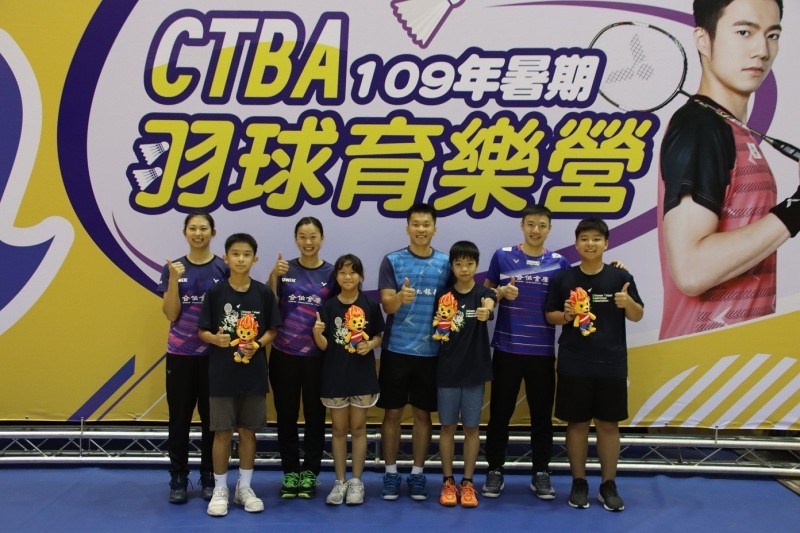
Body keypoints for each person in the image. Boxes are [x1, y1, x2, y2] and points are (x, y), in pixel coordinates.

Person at [658, 0, 799, 339]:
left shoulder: (731, 129)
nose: (762, 51)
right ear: (703, 40)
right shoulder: (701, 127)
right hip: (701, 356)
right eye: (744, 32)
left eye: (772, 35)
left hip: (735, 354)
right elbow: (691, 270)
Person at [545, 218, 644, 512]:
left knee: (608, 425)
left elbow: (637, 315)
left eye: (596, 239)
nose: (590, 244)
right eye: (585, 239)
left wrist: (627, 302)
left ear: (606, 243)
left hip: (611, 362)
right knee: (577, 424)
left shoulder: (620, 276)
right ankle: (579, 483)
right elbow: (549, 315)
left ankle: (608, 485)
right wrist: (566, 315)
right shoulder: (564, 278)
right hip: (574, 362)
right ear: (576, 244)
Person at [481, 204, 571, 500]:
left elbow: (571, 300)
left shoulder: (559, 263)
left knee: (542, 417)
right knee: (499, 414)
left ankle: (541, 473)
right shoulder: (503, 255)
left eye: (542, 225)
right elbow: (484, 294)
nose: (535, 230)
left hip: (542, 353)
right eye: (531, 224)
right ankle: (495, 470)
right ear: (522, 225)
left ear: (549, 229)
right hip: (506, 350)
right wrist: (499, 293)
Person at [198, 233, 281, 517]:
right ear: (226, 258)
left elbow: (272, 330)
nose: (241, 259)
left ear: (255, 259)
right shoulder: (215, 293)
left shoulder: (263, 293)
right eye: (235, 254)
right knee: (222, 433)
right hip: (221, 375)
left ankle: (244, 487)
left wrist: (257, 344)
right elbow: (203, 330)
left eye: (246, 254)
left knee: (248, 432)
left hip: (253, 375)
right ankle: (220, 488)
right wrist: (214, 339)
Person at [377, 203, 451, 501]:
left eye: (426, 224)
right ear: (407, 227)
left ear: (435, 228)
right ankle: (390, 472)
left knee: (423, 414)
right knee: (393, 413)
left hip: (432, 352)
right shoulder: (392, 261)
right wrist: (399, 298)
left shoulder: (446, 263)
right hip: (396, 349)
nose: (421, 229)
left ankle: (418, 474)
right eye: (416, 224)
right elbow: (387, 305)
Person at [158, 211, 228, 504]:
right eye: (193, 228)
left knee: (212, 421)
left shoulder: (223, 268)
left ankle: (209, 476)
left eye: (203, 228)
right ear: (185, 232)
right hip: (180, 355)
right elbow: (171, 314)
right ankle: (178, 477)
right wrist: (174, 281)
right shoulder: (173, 269)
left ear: (213, 232)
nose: (198, 233)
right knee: (179, 420)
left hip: (214, 356)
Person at [267, 217, 334, 499]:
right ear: (296, 239)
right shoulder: (285, 270)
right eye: (303, 237)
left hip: (318, 356)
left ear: (322, 239)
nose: (308, 242)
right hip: (284, 354)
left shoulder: (332, 273)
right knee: (286, 415)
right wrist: (273, 276)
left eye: (313, 236)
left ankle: (310, 473)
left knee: (316, 416)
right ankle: (291, 472)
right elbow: (268, 306)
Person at [312, 254, 385, 506]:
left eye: (353, 272)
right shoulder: (328, 307)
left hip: (362, 377)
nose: (348, 277)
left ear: (361, 276)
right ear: (337, 277)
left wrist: (371, 344)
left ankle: (356, 482)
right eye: (343, 272)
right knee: (339, 430)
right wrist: (317, 334)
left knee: (359, 428)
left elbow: (379, 336)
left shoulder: (370, 304)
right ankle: (340, 481)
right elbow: (324, 346)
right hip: (335, 376)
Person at [434, 241, 496, 508]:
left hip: (474, 371)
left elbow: (490, 303)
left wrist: (487, 310)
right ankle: (448, 481)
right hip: (447, 371)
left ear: (476, 265)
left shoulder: (483, 294)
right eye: (458, 264)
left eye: (469, 263)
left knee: (471, 428)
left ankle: (468, 483)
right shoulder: (443, 296)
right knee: (447, 427)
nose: (464, 268)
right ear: (452, 266)